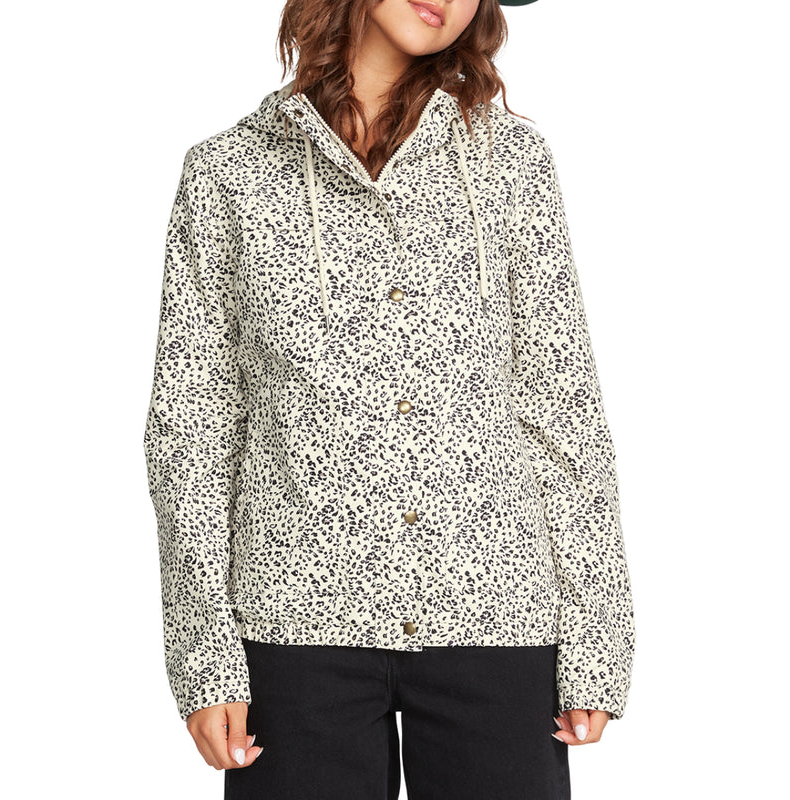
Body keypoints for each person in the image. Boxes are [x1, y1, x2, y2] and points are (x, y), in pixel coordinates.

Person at [142, 0, 636, 797]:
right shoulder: (228, 173)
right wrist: (205, 657)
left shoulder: (511, 162)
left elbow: (562, 406)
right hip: (297, 622)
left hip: (493, 610)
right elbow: (191, 428)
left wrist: (597, 637)